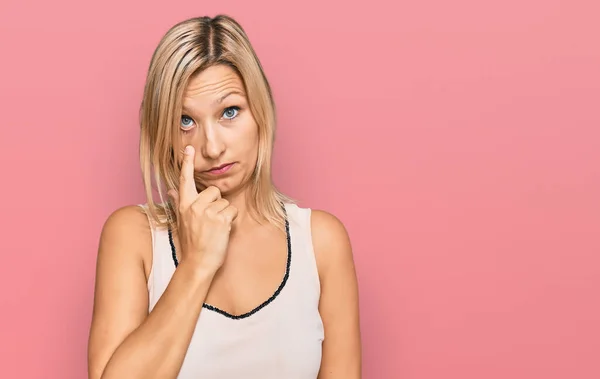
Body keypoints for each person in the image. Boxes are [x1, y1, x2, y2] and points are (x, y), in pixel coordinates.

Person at [87, 14, 361, 379]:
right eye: (186, 121)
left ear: (260, 112)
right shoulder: (135, 236)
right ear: (164, 133)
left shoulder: (320, 241)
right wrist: (198, 263)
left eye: (229, 112)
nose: (212, 147)